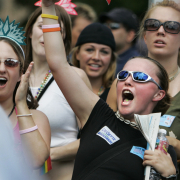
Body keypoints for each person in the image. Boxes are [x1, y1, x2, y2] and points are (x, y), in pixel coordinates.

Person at [41, 0, 177, 179]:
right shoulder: (98, 116)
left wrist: (170, 175)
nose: (128, 80)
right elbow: (58, 63)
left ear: (158, 94)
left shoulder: (162, 148)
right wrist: (48, 7)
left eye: (140, 77)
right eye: (123, 75)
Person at [23, 4, 92, 180]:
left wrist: (47, 154)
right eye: (41, 26)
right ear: (30, 31)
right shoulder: (13, 76)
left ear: (63, 37)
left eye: (54, 29)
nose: (46, 32)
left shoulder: (75, 77)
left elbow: (95, 136)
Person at [0, 16, 51, 172]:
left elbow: (36, 159)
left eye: (10, 63)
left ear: (21, 74)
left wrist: (21, 104)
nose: (2, 69)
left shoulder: (36, 118)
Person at [72, 22, 116, 101]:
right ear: (77, 54)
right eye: (90, 50)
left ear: (111, 58)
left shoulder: (117, 95)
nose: (96, 57)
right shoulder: (61, 89)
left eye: (104, 52)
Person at [99, 8, 140, 76]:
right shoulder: (99, 58)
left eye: (114, 26)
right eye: (105, 25)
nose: (106, 29)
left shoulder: (136, 66)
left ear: (130, 35)